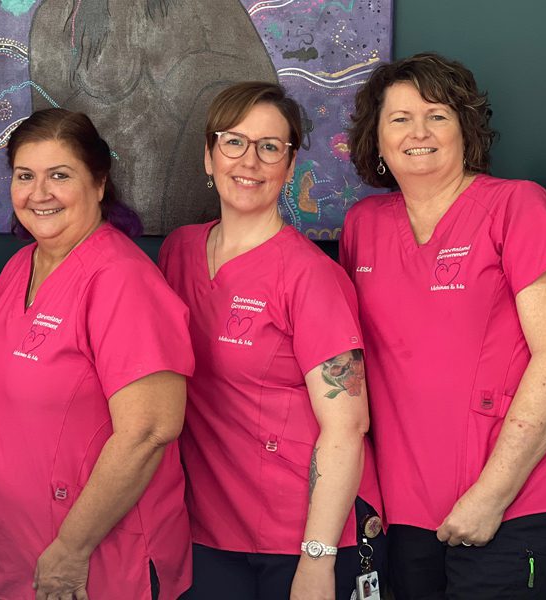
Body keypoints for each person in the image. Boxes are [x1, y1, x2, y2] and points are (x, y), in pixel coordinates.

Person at [342, 52, 546, 598]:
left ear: (466, 129)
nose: (419, 132)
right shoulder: (362, 226)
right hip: (408, 515)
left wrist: (492, 496)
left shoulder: (518, 206)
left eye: (437, 115)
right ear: (378, 141)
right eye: (399, 118)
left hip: (522, 505)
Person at [159, 81, 385, 600]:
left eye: (270, 147)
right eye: (234, 142)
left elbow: (346, 428)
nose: (250, 161)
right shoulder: (178, 253)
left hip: (306, 535)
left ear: (289, 165)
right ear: (209, 156)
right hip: (207, 530)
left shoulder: (311, 277)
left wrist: (318, 559)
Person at [0, 108, 194, 600]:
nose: (38, 193)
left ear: (99, 183)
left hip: (93, 561)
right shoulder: (18, 267)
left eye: (59, 176)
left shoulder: (122, 279)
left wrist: (71, 549)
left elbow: (150, 430)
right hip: (10, 551)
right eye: (25, 176)